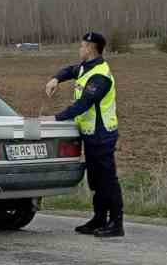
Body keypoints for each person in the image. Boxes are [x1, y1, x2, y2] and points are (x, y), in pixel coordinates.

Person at [44, 32, 123, 237]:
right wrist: (56, 79)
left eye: (82, 46)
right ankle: (99, 219)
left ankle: (116, 223)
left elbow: (84, 104)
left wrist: (57, 118)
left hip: (102, 133)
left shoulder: (100, 75)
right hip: (89, 133)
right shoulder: (84, 68)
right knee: (96, 180)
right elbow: (70, 70)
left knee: (108, 180)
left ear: (90, 48)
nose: (79, 49)